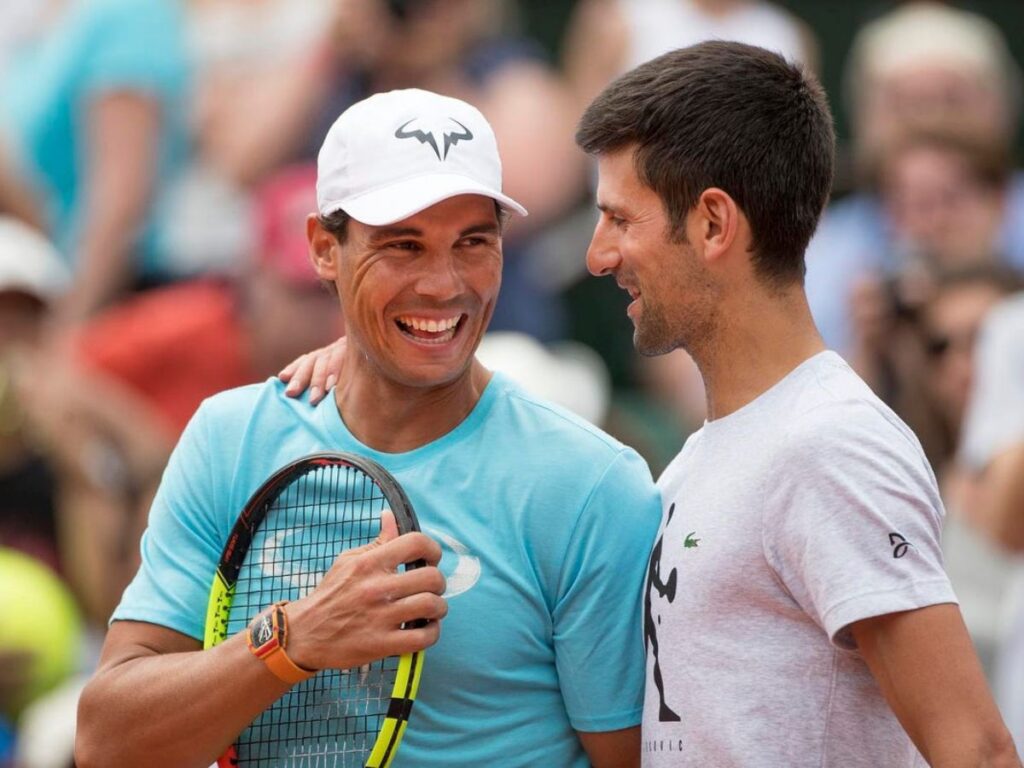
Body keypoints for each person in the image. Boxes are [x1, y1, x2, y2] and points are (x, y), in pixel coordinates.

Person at [75, 88, 660, 767]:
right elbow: (107, 744)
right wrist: (293, 640)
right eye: (403, 246)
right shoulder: (230, 437)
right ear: (325, 248)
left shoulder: (591, 485)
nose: (444, 285)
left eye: (474, 242)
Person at [574, 41, 1019, 766]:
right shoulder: (710, 454)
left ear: (714, 224)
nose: (599, 254)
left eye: (621, 219)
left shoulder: (829, 445)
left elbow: (977, 750)